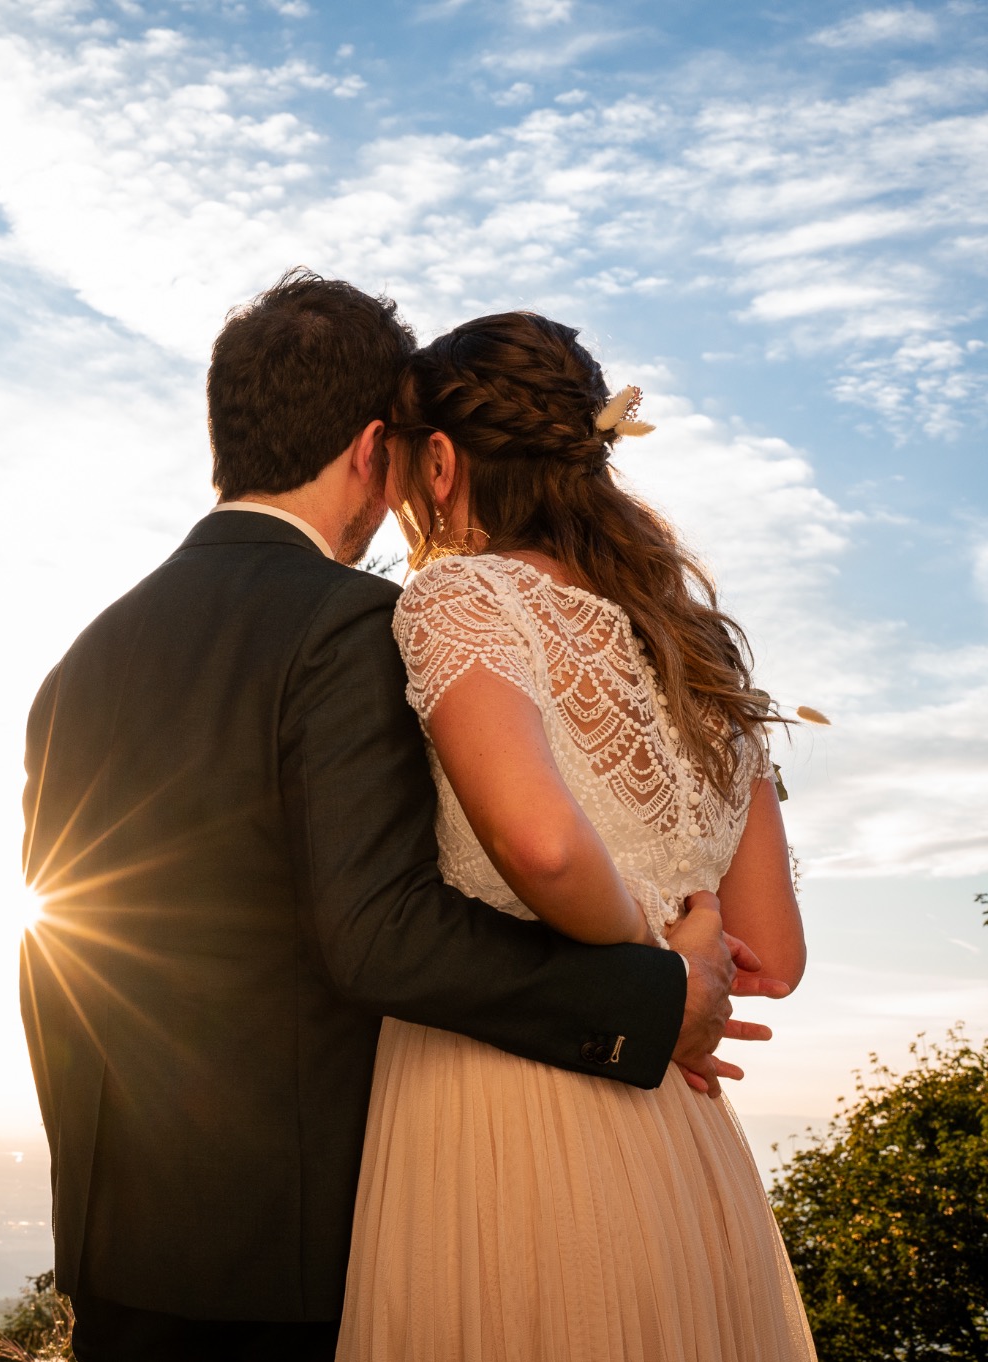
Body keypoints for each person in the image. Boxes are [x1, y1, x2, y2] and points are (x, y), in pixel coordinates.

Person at [17, 271, 775, 1362]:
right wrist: (652, 996)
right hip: (309, 1262)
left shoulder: (79, 663)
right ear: (376, 452)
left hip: (123, 1257)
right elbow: (379, 931)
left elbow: (58, 947)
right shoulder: (356, 625)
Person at [334, 310, 814, 1360]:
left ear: (444, 461)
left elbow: (544, 850)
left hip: (503, 1113)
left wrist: (653, 985)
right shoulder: (692, 651)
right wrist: (678, 972)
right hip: (682, 1147)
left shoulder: (461, 597)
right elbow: (772, 956)